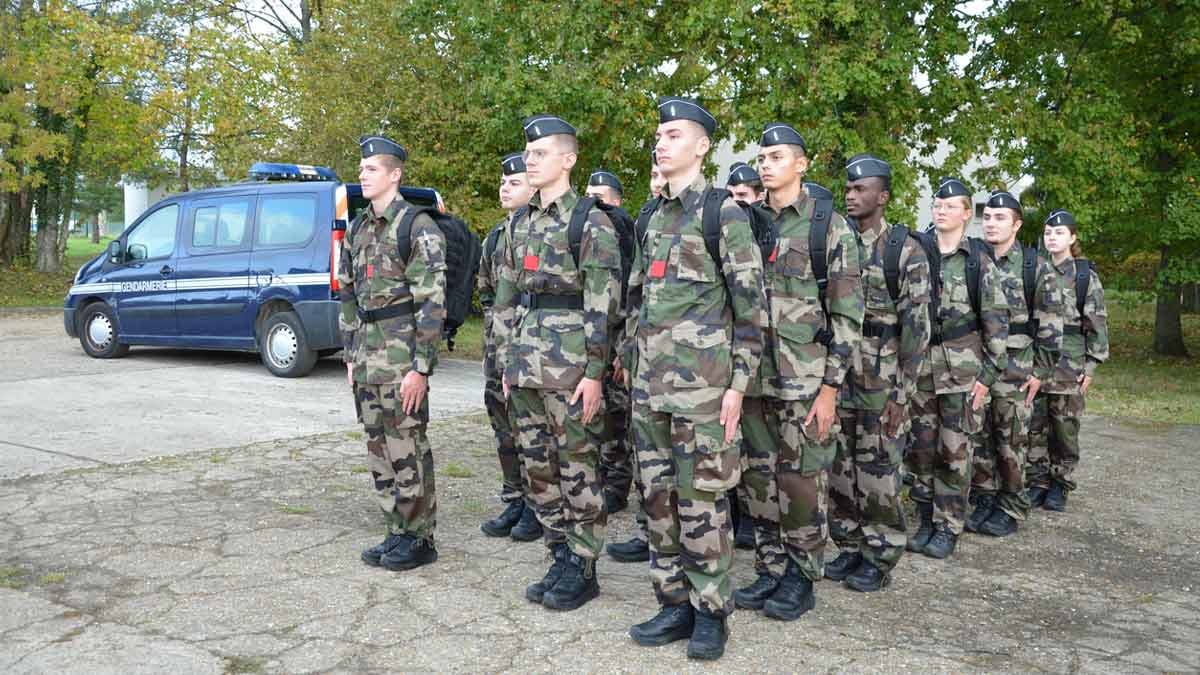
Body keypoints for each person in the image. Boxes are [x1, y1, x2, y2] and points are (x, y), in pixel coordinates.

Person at [624, 96, 765, 660]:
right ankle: (673, 603)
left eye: (675, 134)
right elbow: (640, 300)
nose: (662, 142)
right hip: (649, 388)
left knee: (702, 501)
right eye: (659, 134)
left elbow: (753, 309)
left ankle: (711, 612)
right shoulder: (652, 215)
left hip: (705, 393)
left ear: (702, 146)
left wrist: (738, 387)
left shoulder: (722, 214)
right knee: (656, 498)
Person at [492, 114, 621, 611]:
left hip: (569, 367)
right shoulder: (520, 222)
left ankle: (584, 563)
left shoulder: (588, 222)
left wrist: (594, 373)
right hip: (525, 363)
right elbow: (506, 297)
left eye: (540, 153)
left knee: (576, 466)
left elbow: (602, 304)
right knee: (537, 466)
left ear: (567, 160)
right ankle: (559, 550)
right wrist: (505, 359)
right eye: (528, 154)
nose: (530, 160)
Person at [734, 124, 864, 618]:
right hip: (753, 379)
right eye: (762, 157)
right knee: (759, 480)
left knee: (803, 482)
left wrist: (831, 387)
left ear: (801, 164)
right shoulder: (744, 222)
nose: (766, 164)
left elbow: (848, 315)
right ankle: (770, 570)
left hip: (804, 381)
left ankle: (801, 575)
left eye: (777, 156)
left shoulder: (825, 226)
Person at [340, 135, 446, 572]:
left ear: (395, 174)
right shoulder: (360, 227)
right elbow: (347, 292)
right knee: (377, 446)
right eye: (362, 169)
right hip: (367, 356)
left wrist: (421, 368)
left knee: (407, 445)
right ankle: (395, 529)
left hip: (401, 359)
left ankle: (420, 536)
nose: (362, 175)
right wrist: (349, 354)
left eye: (371, 170)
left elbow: (432, 302)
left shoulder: (417, 227)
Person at [827, 154, 931, 590]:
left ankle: (881, 553)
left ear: (883, 196)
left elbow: (917, 330)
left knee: (878, 472)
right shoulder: (838, 242)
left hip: (881, 381)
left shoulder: (904, 251)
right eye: (848, 189)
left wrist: (901, 395)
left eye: (861, 189)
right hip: (840, 377)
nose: (851, 195)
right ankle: (849, 545)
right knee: (839, 468)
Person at [905, 178, 1009, 560]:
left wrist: (987, 377)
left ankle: (948, 526)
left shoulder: (978, 262)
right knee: (922, 450)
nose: (941, 210)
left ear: (967, 213)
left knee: (955, 452)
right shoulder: (916, 252)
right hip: (920, 372)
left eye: (950, 205)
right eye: (937, 204)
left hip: (961, 375)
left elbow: (997, 324)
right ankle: (927, 520)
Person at [965, 191, 1064, 536]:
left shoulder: (1035, 267)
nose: (991, 224)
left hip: (1016, 371)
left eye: (1000, 218)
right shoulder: (973, 259)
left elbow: (1051, 327)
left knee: (1011, 442)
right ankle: (986, 496)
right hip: (977, 366)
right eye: (987, 217)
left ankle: (1013, 504)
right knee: (978, 439)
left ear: (1017, 224)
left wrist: (1040, 372)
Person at [1026, 209, 1108, 512]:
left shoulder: (1084, 276)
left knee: (1064, 427)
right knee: (1035, 425)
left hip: (1069, 363)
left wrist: (1091, 365)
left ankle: (1060, 483)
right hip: (1036, 361)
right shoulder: (1035, 269)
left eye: (1059, 233)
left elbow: (1096, 323)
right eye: (1048, 232)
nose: (1052, 238)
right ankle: (1037, 482)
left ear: (1072, 237)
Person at [478, 152, 542, 541]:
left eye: (514, 182)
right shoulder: (496, 237)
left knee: (531, 432)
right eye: (503, 182)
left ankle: (538, 504)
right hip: (496, 349)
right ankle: (515, 497)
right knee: (504, 430)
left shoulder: (538, 232)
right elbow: (487, 291)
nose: (505, 188)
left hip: (529, 351)